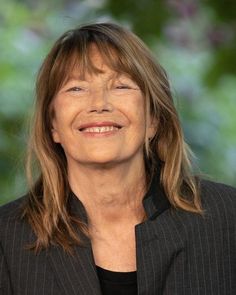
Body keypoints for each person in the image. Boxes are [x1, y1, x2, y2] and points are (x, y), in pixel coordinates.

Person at [0, 22, 235, 295]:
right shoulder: (6, 240)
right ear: (53, 124)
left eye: (121, 86)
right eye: (77, 88)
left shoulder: (228, 217)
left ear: (153, 119)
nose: (99, 103)